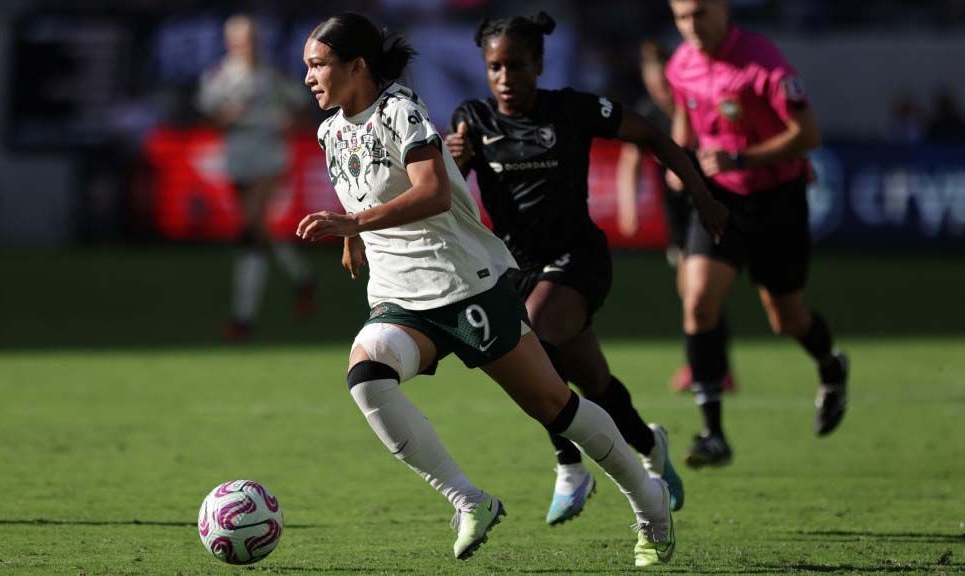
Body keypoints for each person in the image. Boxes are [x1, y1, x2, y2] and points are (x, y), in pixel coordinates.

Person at [298, 12, 699, 566]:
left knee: (555, 406)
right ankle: (469, 501)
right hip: (399, 299)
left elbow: (434, 192)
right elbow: (364, 191)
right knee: (367, 377)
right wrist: (354, 236)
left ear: (356, 66)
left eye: (318, 65)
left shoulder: (400, 111)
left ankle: (649, 502)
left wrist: (355, 225)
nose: (309, 77)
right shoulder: (329, 130)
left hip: (465, 287)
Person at [445, 14, 726, 523]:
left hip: (578, 258)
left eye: (516, 65)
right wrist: (453, 160)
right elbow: (449, 191)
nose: (505, 77)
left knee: (534, 350)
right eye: (495, 67)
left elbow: (654, 138)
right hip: (520, 268)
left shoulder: (572, 109)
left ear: (539, 64)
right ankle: (650, 445)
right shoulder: (473, 119)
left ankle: (570, 465)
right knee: (594, 382)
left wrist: (702, 197)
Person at [665, 0, 850, 468]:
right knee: (699, 300)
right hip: (720, 203)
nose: (692, 25)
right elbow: (684, 128)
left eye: (700, 13)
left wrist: (741, 159)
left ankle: (831, 366)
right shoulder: (680, 65)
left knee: (786, 318)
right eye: (682, 16)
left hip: (775, 200)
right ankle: (713, 434)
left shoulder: (763, 62)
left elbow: (807, 135)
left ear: (724, 9)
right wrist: (680, 166)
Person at [615, 40, 736, 395]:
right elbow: (630, 159)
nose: (661, 94)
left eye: (665, 86)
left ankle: (705, 367)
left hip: (707, 207)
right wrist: (628, 207)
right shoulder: (648, 113)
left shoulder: (697, 105)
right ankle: (712, 365)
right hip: (676, 215)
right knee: (694, 294)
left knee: (696, 292)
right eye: (653, 87)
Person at [197, 14, 316, 339]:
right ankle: (302, 277)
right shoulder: (220, 76)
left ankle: (243, 318)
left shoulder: (272, 75)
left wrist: (288, 121)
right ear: (230, 42)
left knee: (250, 228)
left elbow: (300, 106)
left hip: (268, 155)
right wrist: (227, 116)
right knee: (259, 228)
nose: (246, 45)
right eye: (239, 39)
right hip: (238, 157)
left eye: (250, 38)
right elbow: (208, 114)